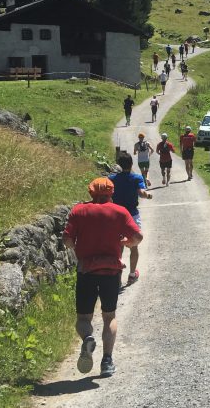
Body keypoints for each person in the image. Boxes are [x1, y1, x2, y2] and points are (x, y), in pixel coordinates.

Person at [63, 177, 142, 377]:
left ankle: (88, 338)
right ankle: (107, 362)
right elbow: (137, 237)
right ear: (111, 193)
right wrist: (127, 242)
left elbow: (67, 240)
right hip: (111, 271)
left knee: (83, 318)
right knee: (109, 316)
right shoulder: (120, 212)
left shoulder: (79, 211)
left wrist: (76, 247)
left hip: (86, 271)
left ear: (91, 192)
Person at [109, 152, 152, 284]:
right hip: (131, 215)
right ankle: (132, 275)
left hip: (116, 216)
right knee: (134, 246)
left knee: (119, 246)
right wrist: (148, 196)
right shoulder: (137, 177)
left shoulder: (112, 179)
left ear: (119, 165)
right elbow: (141, 193)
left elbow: (108, 196)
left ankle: (117, 276)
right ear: (131, 164)